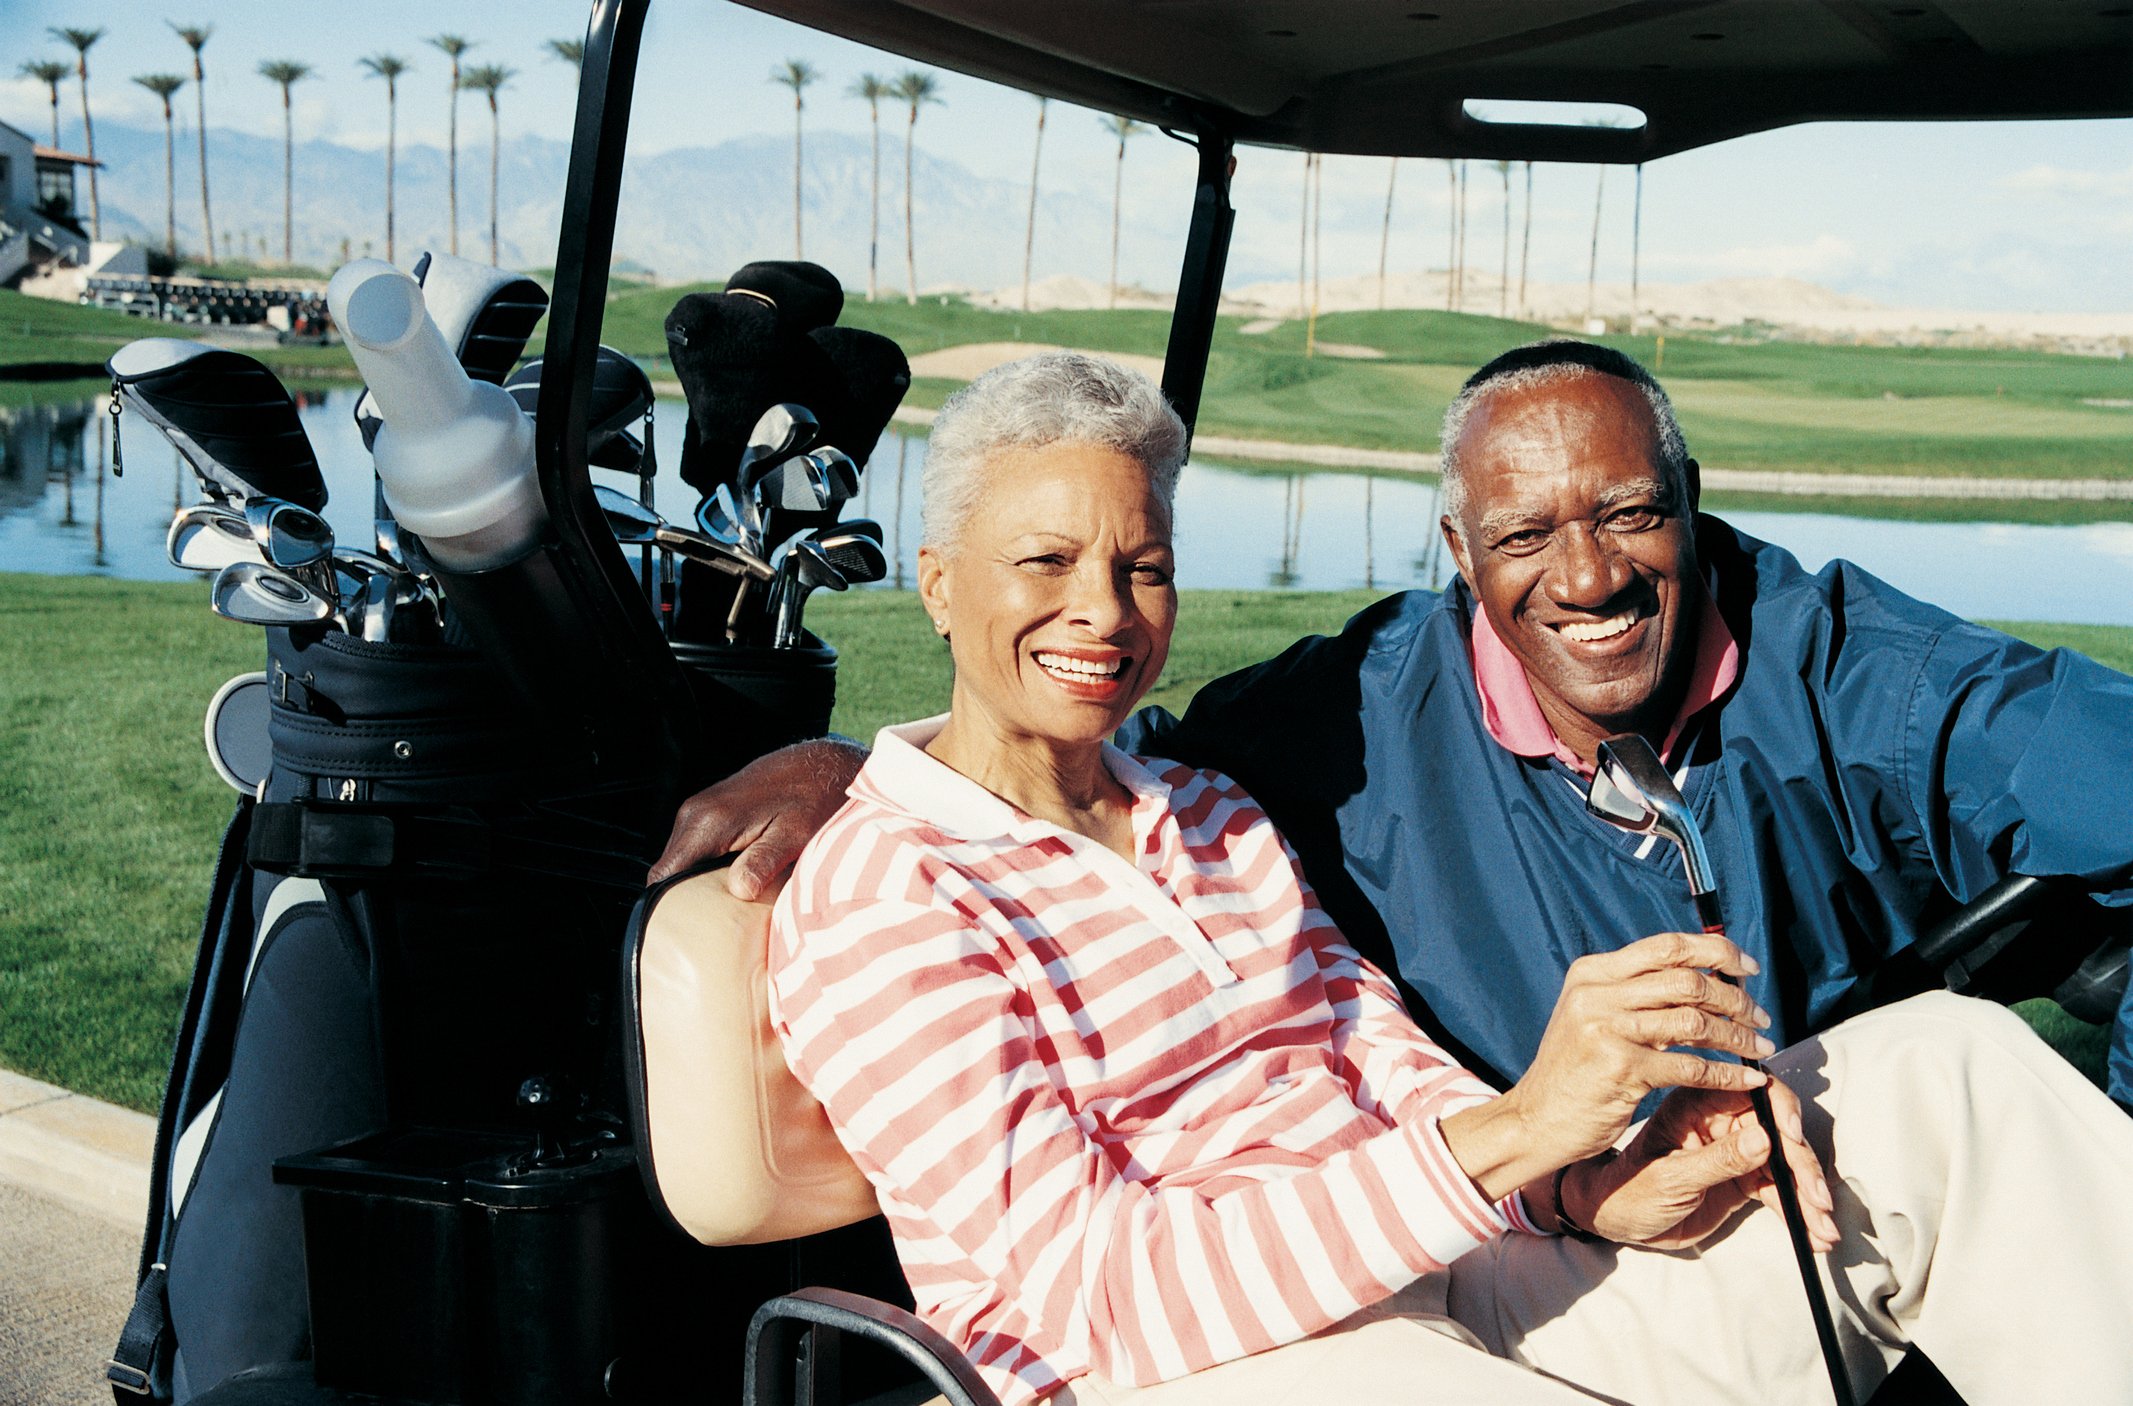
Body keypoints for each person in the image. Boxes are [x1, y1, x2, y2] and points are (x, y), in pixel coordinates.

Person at [763, 351, 2133, 1406]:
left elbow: (1384, 1067)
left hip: (1452, 1293)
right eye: (1044, 563)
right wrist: (1513, 1138)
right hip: (1186, 1371)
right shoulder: (887, 897)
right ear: (937, 584)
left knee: (1954, 1065)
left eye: (1144, 566)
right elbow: (1091, 1296)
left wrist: (1573, 1188)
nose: (1104, 611)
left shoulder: (1210, 812)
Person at [655, 340, 2133, 1110]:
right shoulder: (1354, 706)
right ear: (1453, 549)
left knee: (1969, 1080)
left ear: (1694, 511)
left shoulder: (1855, 678)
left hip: (1788, 1198)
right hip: (1530, 1226)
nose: (1588, 576)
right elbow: (1094, 737)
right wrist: (863, 763)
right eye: (1524, 534)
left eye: (1630, 514)